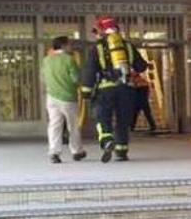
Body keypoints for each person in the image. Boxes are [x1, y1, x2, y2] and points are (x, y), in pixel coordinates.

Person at [81, 15, 148, 163]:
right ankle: (121, 151)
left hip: (105, 89)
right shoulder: (128, 46)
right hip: (126, 88)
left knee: (102, 116)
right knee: (123, 120)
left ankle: (107, 140)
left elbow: (90, 69)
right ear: (117, 28)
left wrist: (86, 90)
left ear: (102, 30)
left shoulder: (98, 47)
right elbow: (142, 66)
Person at [41, 36, 85, 163]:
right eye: (69, 44)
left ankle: (54, 152)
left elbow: (43, 78)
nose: (71, 47)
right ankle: (77, 151)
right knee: (73, 126)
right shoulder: (69, 60)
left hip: (51, 97)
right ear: (63, 46)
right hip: (68, 97)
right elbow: (76, 78)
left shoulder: (46, 60)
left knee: (54, 125)